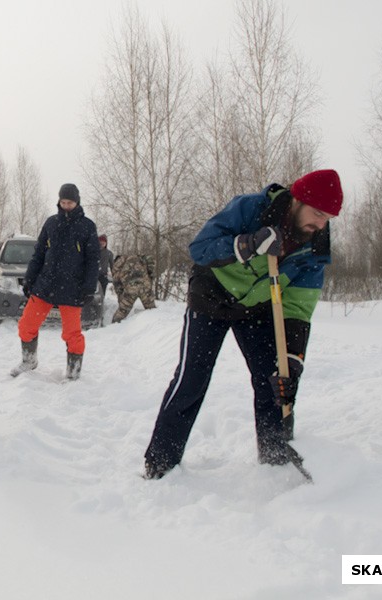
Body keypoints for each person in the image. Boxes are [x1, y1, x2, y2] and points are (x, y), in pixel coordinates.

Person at [143, 169, 343, 479]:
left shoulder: (314, 247)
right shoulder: (252, 208)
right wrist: (247, 244)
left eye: (328, 218)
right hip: (211, 296)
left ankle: (276, 464)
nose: (320, 224)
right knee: (192, 380)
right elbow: (200, 248)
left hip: (257, 309)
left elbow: (299, 308)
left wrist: (292, 360)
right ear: (297, 200)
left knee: (274, 381)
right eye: (317, 213)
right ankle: (160, 464)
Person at [11, 183, 100, 380]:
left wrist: (88, 287)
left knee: (72, 335)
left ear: (77, 202)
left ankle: (73, 372)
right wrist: (29, 280)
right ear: (59, 201)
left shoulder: (87, 227)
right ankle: (29, 361)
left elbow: (93, 260)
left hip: (72, 289)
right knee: (26, 325)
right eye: (63, 202)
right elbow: (39, 254)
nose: (66, 205)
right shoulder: (51, 223)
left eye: (70, 202)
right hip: (45, 285)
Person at [111, 253, 156, 323]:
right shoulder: (139, 257)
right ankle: (156, 329)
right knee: (152, 310)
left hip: (131, 289)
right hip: (145, 287)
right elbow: (150, 260)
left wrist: (120, 299)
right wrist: (150, 276)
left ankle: (112, 328)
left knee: (121, 313)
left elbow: (117, 283)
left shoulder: (117, 265)